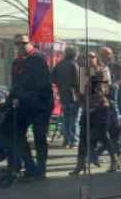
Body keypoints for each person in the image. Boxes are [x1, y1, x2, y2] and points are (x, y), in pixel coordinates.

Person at [9, 34, 53, 179]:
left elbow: (42, 83)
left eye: (23, 43)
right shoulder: (16, 62)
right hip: (25, 104)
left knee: (39, 135)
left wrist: (23, 95)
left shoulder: (39, 59)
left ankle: (41, 169)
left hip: (41, 104)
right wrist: (12, 98)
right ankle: (30, 166)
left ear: (30, 44)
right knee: (17, 133)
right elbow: (15, 84)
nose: (20, 46)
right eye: (17, 44)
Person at [71, 52, 120, 174]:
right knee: (83, 136)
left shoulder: (102, 71)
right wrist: (79, 98)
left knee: (102, 135)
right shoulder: (81, 72)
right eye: (85, 57)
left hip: (101, 107)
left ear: (96, 59)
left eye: (91, 57)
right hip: (87, 108)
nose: (88, 59)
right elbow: (79, 90)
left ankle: (114, 160)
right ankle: (80, 164)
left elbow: (102, 90)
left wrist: (91, 77)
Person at [51, 46, 81, 149]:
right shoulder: (74, 65)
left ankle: (66, 139)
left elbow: (52, 78)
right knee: (74, 119)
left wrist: (61, 84)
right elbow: (78, 82)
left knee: (66, 118)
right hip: (73, 96)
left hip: (63, 95)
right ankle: (73, 140)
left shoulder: (59, 64)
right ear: (74, 55)